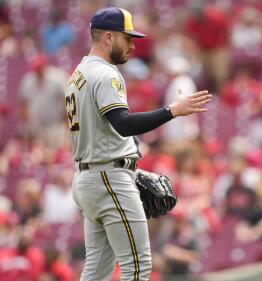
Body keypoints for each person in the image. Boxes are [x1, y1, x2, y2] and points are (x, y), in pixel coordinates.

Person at [65, 7, 212, 280]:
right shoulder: (106, 73)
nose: (133, 46)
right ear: (108, 38)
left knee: (96, 271)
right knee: (138, 267)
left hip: (90, 177)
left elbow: (106, 129)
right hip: (109, 177)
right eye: (127, 38)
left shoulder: (79, 74)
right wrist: (172, 111)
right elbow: (123, 123)